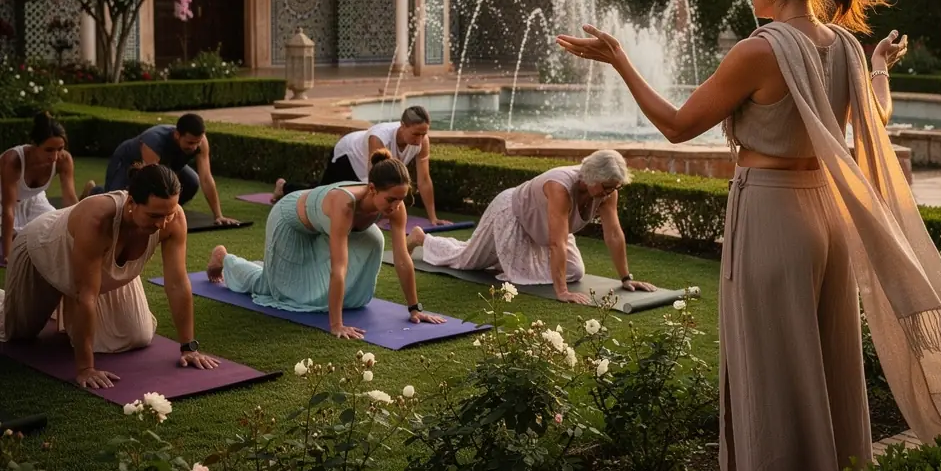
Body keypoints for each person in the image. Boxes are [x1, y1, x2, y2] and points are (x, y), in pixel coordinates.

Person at [556, 0, 941, 471]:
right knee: (827, 364)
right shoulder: (844, 46)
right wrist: (878, 67)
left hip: (772, 213)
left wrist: (620, 59)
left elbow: (676, 126)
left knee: (774, 371)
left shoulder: (761, 49)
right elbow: (871, 114)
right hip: (826, 213)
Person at [0, 163, 220, 389]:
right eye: (154, 215)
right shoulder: (98, 220)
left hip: (100, 265)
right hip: (43, 250)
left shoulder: (173, 219)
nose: (162, 223)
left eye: (169, 214)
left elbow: (177, 283)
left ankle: (67, 311)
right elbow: (86, 295)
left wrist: (188, 347)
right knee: (19, 334)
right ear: (132, 203)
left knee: (137, 335)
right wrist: (86, 368)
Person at [207, 150, 446, 339]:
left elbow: (402, 258)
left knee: (374, 239)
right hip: (290, 221)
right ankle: (224, 258)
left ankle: (281, 272)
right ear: (372, 189)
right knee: (271, 288)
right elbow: (338, 267)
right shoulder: (344, 204)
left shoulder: (395, 206)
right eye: (391, 199)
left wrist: (415, 308)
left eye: (402, 199)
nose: (396, 206)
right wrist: (336, 324)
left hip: (322, 225)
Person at [408, 149, 656, 305]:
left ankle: (504, 258)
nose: (610, 192)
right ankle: (422, 239)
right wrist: (562, 292)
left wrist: (626, 278)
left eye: (615, 187)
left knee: (575, 271)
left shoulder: (606, 192)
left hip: (543, 226)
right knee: (467, 260)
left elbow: (613, 233)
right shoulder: (560, 187)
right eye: (606, 187)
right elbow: (556, 242)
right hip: (512, 213)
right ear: (590, 177)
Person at [272, 105, 450, 225]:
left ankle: (285, 187)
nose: (419, 139)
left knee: (334, 193)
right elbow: (376, 180)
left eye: (424, 134)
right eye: (416, 134)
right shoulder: (380, 137)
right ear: (402, 126)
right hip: (348, 154)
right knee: (323, 193)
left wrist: (433, 218)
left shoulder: (422, 141)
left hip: (364, 166)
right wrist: (379, 214)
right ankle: (284, 187)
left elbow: (424, 180)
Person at [96, 113, 239, 225]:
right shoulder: (153, 141)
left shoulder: (201, 142)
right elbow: (150, 180)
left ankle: (165, 211)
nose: (194, 147)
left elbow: (206, 178)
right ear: (177, 135)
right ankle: (95, 191)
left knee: (192, 182)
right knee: (115, 205)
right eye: (189, 142)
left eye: (197, 142)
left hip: (165, 165)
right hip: (128, 161)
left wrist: (218, 215)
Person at [1, 112, 92, 263]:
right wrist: (7, 254)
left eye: (60, 148)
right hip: (3, 200)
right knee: (15, 236)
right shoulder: (13, 160)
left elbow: (69, 199)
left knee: (54, 228)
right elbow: (8, 209)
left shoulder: (64, 160)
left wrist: (80, 237)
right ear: (34, 145)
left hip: (33, 199)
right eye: (49, 150)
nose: (55, 156)